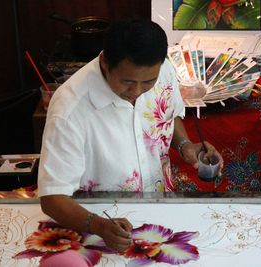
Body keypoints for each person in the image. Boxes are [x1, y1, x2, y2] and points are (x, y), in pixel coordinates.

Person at [38, 19, 223, 252]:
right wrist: (97, 225)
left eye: (147, 82)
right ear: (105, 62)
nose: (136, 91)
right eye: (127, 82)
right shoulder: (70, 109)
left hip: (160, 209)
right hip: (102, 227)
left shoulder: (162, 69)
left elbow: (169, 113)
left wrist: (185, 145)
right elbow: (53, 198)